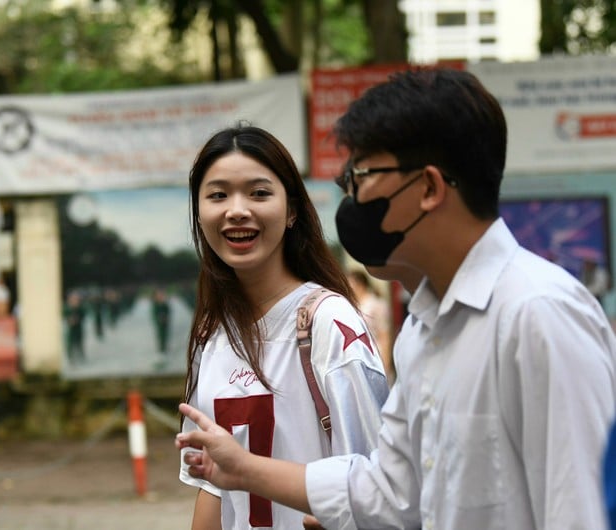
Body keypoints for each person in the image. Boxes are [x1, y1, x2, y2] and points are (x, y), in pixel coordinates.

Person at [175, 69, 616, 530]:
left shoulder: (538, 313)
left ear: (427, 188)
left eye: (363, 175)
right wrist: (243, 470)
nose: (353, 196)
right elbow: (391, 494)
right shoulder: (425, 330)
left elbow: (581, 511)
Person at [178, 125, 389, 529]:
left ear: (292, 210)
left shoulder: (329, 322)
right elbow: (213, 488)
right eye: (218, 195)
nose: (237, 210)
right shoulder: (212, 333)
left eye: (259, 193)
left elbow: (376, 481)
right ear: (199, 211)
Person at [346, 269, 393, 381]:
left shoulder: (376, 304)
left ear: (360, 285)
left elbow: (384, 335)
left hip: (376, 354)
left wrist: (386, 365)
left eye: (350, 284)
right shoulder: (351, 305)